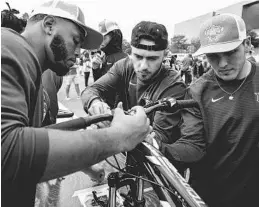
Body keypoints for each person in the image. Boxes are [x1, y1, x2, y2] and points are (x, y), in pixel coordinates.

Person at [1, 1, 152, 206]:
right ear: (49, 25)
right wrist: (118, 137)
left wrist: (84, 161)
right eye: (75, 40)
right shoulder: (10, 45)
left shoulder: (34, 69)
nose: (79, 52)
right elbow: (7, 150)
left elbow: (34, 134)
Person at [155, 13, 259, 207]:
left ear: (246, 44)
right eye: (213, 56)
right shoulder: (197, 91)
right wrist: (158, 146)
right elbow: (194, 145)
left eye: (230, 52)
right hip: (209, 196)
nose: (223, 64)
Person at [82, 21, 186, 148]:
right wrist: (95, 104)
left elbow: (160, 136)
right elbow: (90, 90)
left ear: (165, 55)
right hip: (123, 147)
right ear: (131, 52)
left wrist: (118, 126)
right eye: (138, 56)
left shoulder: (173, 84)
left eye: (152, 58)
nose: (143, 66)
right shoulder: (123, 66)